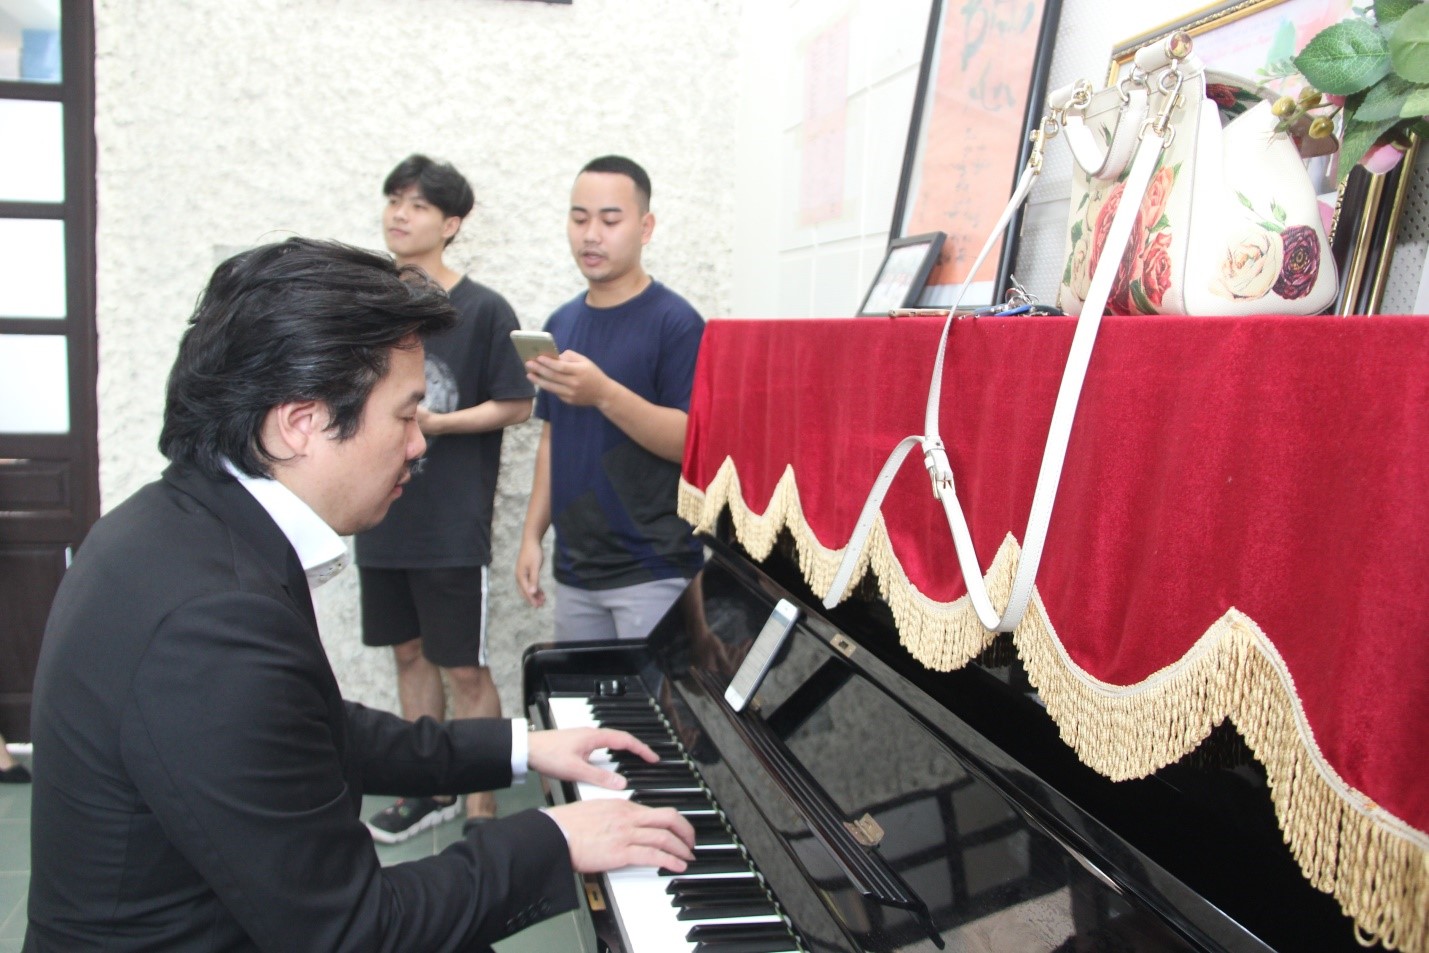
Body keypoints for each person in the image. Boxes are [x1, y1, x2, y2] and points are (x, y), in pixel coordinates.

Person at [25, 238, 694, 953]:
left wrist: (521, 745)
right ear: (301, 422)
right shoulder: (212, 621)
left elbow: (304, 728)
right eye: (405, 415)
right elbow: (353, 930)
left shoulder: (175, 525)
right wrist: (553, 838)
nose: (418, 444)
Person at [355, 155, 534, 843]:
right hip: (380, 512)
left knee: (463, 666)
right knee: (407, 653)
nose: (399, 214)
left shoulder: (483, 309)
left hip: (451, 523)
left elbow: (518, 403)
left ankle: (481, 805)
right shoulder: (372, 305)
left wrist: (437, 424)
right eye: (393, 200)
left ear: (451, 224)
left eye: (418, 205)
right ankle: (428, 790)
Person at [516, 155, 705, 642]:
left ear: (645, 227)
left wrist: (603, 393)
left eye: (610, 220)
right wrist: (532, 536)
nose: (591, 235)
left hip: (654, 568)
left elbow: (691, 442)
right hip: (576, 569)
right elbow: (552, 439)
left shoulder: (677, 323)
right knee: (580, 692)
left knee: (657, 694)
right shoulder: (561, 323)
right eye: (579, 219)